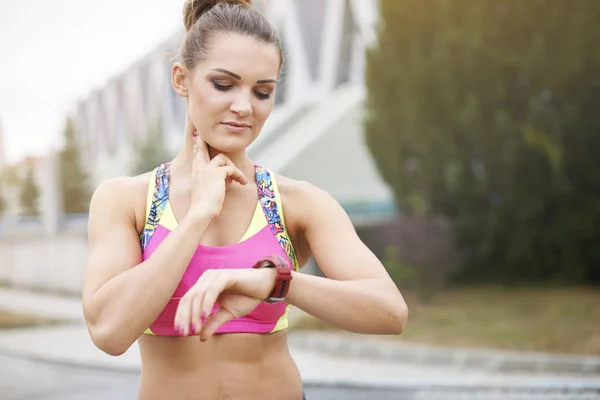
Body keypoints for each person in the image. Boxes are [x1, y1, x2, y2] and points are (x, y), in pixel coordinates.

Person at [81, 0, 408, 399]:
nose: (243, 107)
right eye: (223, 85)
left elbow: (390, 312)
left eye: (262, 92)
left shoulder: (295, 202)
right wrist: (198, 216)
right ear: (181, 79)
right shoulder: (127, 200)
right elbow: (108, 332)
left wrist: (276, 282)